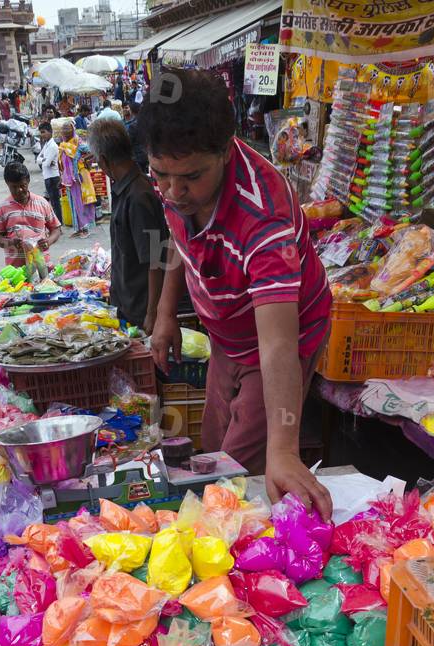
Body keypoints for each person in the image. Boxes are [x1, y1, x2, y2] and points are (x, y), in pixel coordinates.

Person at [138, 69, 333, 518]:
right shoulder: (173, 171)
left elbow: (279, 343)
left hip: (281, 337)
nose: (173, 190)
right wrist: (166, 312)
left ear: (226, 151)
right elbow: (174, 236)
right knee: (212, 446)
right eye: (161, 174)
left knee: (236, 473)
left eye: (190, 177)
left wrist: (284, 448)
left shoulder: (263, 216)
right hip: (227, 335)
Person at [88, 119, 167, 333]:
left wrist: (153, 314)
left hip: (141, 313)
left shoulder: (139, 196)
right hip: (127, 307)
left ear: (103, 161)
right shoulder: (124, 189)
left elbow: (156, 260)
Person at [0, 161, 61, 267]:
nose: (19, 190)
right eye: (14, 187)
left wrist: (48, 241)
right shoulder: (2, 208)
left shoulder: (42, 202)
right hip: (15, 270)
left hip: (43, 265)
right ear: (7, 184)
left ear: (28, 181)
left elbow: (56, 229)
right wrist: (10, 242)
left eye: (22, 185)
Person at [57, 120, 97, 237]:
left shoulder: (78, 142)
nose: (65, 131)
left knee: (81, 203)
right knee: (73, 204)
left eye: (68, 129)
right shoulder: (63, 144)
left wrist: (84, 160)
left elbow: (93, 151)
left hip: (80, 178)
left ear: (72, 130)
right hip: (69, 180)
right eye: (64, 129)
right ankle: (79, 228)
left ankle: (86, 229)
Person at [37, 121, 62, 224]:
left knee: (55, 202)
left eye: (43, 132)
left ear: (50, 132)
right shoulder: (47, 144)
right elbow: (39, 159)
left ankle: (59, 222)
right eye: (41, 132)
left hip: (53, 177)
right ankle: (57, 222)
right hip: (48, 177)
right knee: (52, 201)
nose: (42, 135)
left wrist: (43, 160)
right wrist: (43, 160)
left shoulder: (52, 146)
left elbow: (46, 164)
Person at [124, 100, 148, 174]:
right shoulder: (146, 121)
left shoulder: (133, 126)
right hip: (147, 154)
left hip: (138, 156)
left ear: (132, 111)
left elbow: (128, 142)